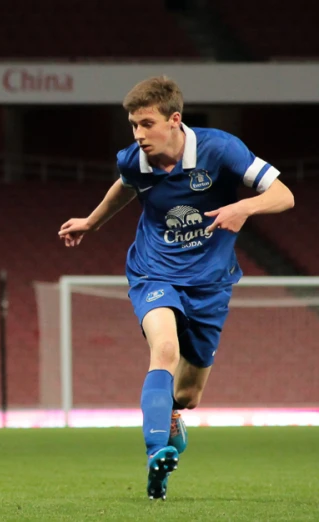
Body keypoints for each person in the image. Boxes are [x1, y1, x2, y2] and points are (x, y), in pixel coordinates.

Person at [59, 76, 294, 501]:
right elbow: (125, 188)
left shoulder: (220, 148)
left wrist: (244, 206)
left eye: (146, 123)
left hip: (211, 283)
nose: (138, 134)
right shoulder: (134, 159)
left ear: (174, 120)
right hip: (154, 272)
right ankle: (157, 453)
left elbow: (283, 194)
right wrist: (91, 222)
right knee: (163, 350)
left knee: (187, 394)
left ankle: (172, 424)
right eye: (133, 125)